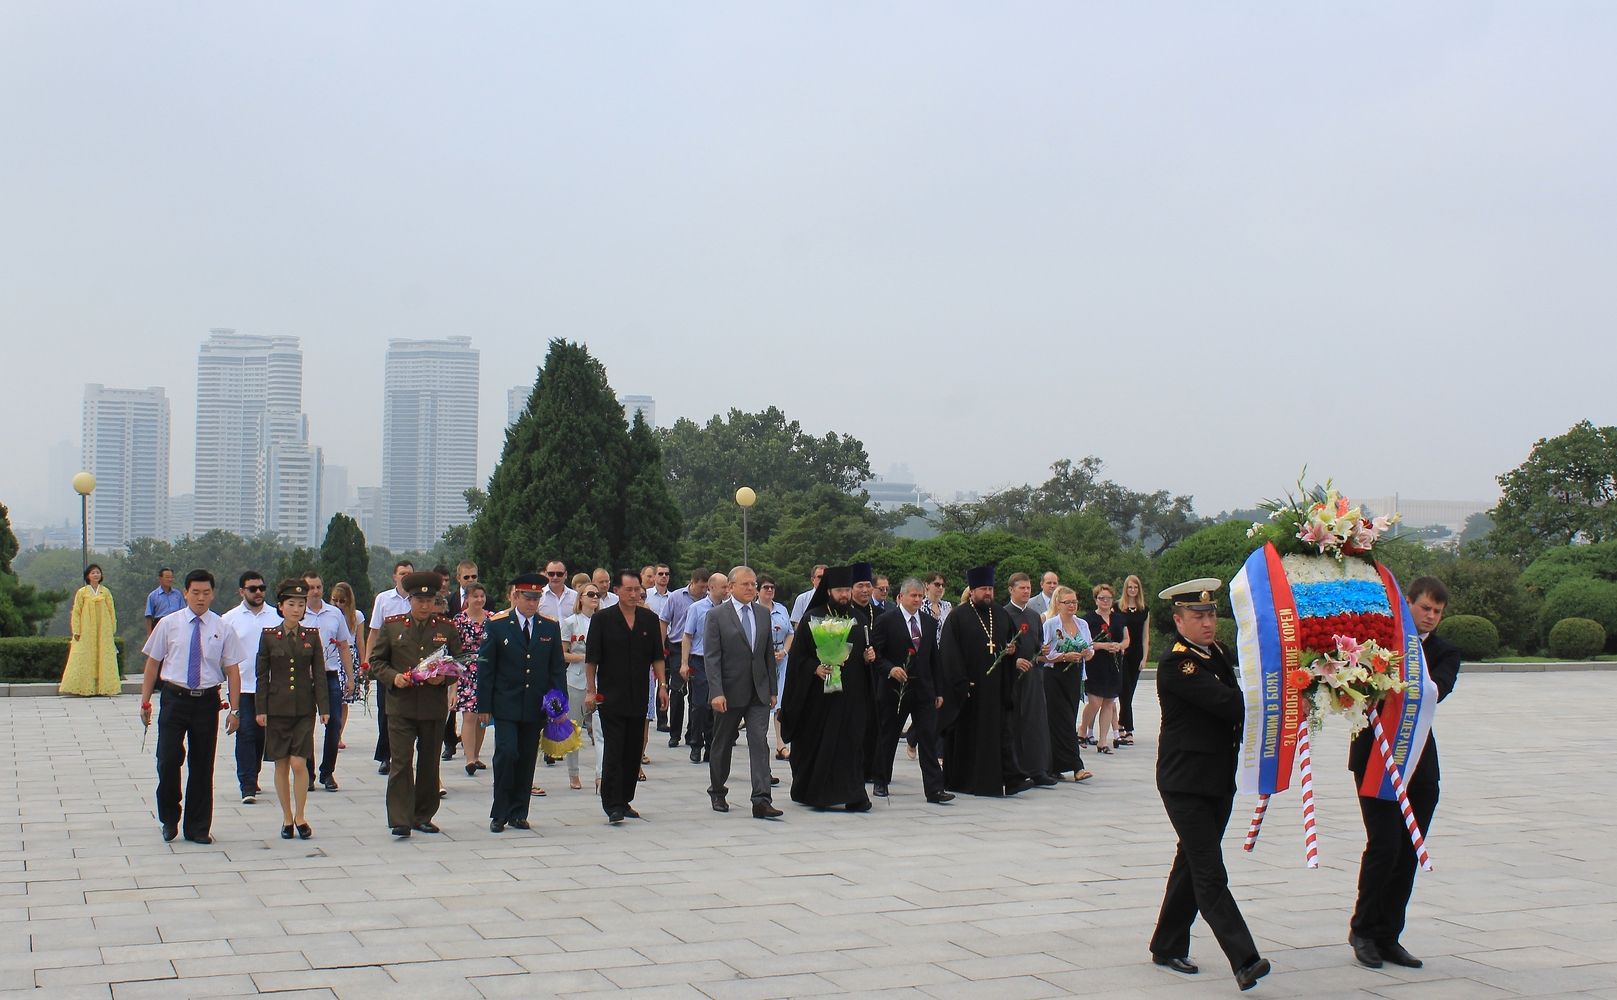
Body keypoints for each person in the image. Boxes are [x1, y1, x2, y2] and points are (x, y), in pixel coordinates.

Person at [1148, 578, 1269, 991]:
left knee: (1191, 862)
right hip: (1185, 782)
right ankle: (1244, 959)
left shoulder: (1217, 652)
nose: (1207, 622)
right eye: (1197, 616)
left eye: (1211, 614)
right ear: (1178, 620)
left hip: (1216, 778)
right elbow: (1228, 703)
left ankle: (1166, 944)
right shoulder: (1177, 664)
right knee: (1209, 870)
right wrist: (1279, 698)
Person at [1347, 576, 1463, 971]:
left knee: (1409, 850)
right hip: (1375, 757)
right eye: (1425, 607)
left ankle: (1388, 934)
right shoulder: (1379, 640)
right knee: (1384, 846)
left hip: (1419, 762)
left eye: (1437, 612)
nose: (1430, 616)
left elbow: (1436, 689)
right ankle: (1363, 930)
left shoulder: (1445, 652)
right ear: (1408, 602)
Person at [138, 569, 245, 844]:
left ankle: (197, 827)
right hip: (175, 698)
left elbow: (232, 670)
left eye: (206, 593)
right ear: (185, 593)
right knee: (168, 759)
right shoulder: (169, 624)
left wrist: (235, 709)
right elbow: (152, 663)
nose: (200, 598)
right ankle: (169, 817)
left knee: (202, 765)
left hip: (206, 701)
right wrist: (145, 701)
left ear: (213, 594)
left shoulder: (222, 627)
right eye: (195, 592)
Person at [370, 571, 464, 838]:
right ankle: (400, 818)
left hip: (432, 706)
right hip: (401, 705)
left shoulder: (446, 628)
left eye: (429, 600)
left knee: (429, 763)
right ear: (410, 600)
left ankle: (422, 815)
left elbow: (459, 663)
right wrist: (393, 677)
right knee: (401, 762)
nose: (424, 605)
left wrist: (443, 678)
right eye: (419, 600)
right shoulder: (393, 626)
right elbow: (377, 661)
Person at [776, 565, 874, 812]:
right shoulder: (812, 618)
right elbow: (798, 659)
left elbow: (865, 654)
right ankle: (816, 792)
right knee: (820, 744)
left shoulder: (859, 619)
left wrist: (869, 657)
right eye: (839, 590)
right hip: (819, 700)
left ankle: (854, 794)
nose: (844, 595)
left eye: (847, 590)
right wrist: (815, 668)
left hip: (851, 697)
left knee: (851, 745)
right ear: (828, 591)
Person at [476, 573, 566, 832]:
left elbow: (556, 669)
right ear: (516, 596)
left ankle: (519, 811)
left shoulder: (549, 627)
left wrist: (558, 705)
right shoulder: (498, 625)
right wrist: (484, 706)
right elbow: (486, 668)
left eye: (536, 598)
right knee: (506, 753)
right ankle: (500, 812)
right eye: (528, 598)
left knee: (526, 758)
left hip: (534, 703)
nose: (532, 603)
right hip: (505, 703)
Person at [585, 569, 669, 824]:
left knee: (633, 748)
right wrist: (590, 690)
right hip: (611, 695)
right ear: (617, 591)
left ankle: (625, 799)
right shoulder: (603, 619)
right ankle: (612, 803)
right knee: (615, 748)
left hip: (639, 693)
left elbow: (657, 656)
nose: (634, 595)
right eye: (629, 590)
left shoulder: (649, 619)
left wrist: (662, 685)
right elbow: (592, 659)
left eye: (637, 590)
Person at [938, 565, 1028, 797]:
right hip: (970, 689)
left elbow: (1013, 643)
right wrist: (960, 682)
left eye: (990, 588)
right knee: (969, 737)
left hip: (996, 689)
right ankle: (965, 781)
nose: (988, 593)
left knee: (1000, 734)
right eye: (983, 589)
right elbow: (949, 654)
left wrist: (1012, 650)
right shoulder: (957, 617)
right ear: (972, 591)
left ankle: (1008, 779)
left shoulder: (1000, 614)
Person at [702, 566, 782, 819]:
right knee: (723, 742)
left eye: (753, 584)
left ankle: (761, 799)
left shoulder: (762, 613)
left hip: (758, 691)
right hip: (729, 691)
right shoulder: (716, 616)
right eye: (745, 584)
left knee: (759, 742)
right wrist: (716, 691)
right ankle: (717, 790)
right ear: (731, 587)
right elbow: (711, 657)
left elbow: (767, 654)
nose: (751, 588)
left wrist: (772, 689)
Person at [255, 580, 331, 840]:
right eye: (291, 604)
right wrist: (260, 709)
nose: (296, 609)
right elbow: (262, 676)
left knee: (299, 763)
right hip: (277, 708)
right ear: (281, 607)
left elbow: (319, 674)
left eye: (300, 604)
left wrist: (323, 707)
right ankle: (287, 817)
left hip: (303, 708)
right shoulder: (268, 636)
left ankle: (301, 815)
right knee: (281, 764)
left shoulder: (311, 636)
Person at [871, 577, 951, 803]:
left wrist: (938, 690)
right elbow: (876, 654)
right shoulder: (886, 620)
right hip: (895, 689)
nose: (917, 600)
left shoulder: (929, 622)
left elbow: (934, 658)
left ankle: (934, 788)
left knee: (928, 737)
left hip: (923, 689)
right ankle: (881, 780)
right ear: (901, 596)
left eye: (919, 596)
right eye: (913, 595)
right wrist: (890, 669)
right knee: (889, 735)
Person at [221, 572, 279, 803]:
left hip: (270, 686)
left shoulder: (276, 616)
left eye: (261, 588)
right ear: (241, 591)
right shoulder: (229, 619)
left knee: (260, 736)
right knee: (245, 733)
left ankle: (253, 774)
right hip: (242, 686)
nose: (258, 593)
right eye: (252, 589)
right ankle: (247, 784)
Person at [300, 572, 354, 792]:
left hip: (329, 674)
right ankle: (308, 772)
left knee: (334, 723)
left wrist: (350, 677)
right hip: (304, 677)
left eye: (318, 587)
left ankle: (327, 772)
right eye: (310, 587)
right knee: (305, 726)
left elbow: (344, 646)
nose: (315, 591)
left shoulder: (334, 613)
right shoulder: (297, 613)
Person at [1005, 572, 1056, 786]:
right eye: (1022, 588)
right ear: (1011, 590)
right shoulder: (1003, 614)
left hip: (1033, 676)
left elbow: (1038, 646)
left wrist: (1042, 650)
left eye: (1028, 588)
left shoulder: (1034, 616)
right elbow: (999, 647)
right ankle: (1017, 770)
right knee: (1015, 723)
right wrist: (1014, 660)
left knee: (1035, 722)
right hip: (1013, 678)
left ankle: (1038, 769)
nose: (1026, 591)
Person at [1041, 586, 1094, 782]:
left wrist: (1087, 653)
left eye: (1074, 602)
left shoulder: (1082, 624)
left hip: (1074, 675)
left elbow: (1090, 648)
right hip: (1055, 675)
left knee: (1068, 718)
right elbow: (1043, 654)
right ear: (1058, 603)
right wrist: (1063, 656)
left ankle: (1055, 765)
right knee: (1061, 719)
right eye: (1067, 602)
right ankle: (1077, 766)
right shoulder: (1051, 624)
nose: (1071, 606)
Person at [367, 561, 414, 776]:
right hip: (387, 662)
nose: (406, 576)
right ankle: (385, 756)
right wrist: (368, 661)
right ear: (394, 576)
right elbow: (374, 632)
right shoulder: (384, 599)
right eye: (402, 573)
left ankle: (403, 754)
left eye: (409, 573)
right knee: (384, 710)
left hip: (411, 661)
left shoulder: (418, 599)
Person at [682, 573, 729, 764]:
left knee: (715, 706)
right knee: (700, 704)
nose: (726, 590)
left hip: (721, 662)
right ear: (711, 587)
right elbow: (687, 636)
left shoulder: (728, 609)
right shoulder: (697, 608)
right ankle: (696, 743)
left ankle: (711, 746)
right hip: (699, 660)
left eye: (728, 586)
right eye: (723, 587)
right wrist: (684, 663)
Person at [560, 583, 602, 789]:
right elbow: (562, 653)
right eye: (591, 594)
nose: (595, 597)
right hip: (576, 679)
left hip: (601, 680)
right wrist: (584, 658)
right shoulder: (570, 622)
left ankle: (601, 774)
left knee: (600, 729)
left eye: (598, 595)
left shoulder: (603, 621)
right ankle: (573, 773)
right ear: (581, 598)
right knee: (573, 728)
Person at [659, 568, 706, 749]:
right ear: (692, 582)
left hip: (698, 650)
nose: (703, 590)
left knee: (697, 694)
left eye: (706, 587)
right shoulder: (676, 597)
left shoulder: (708, 600)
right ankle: (675, 733)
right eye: (700, 587)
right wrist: (661, 646)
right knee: (677, 691)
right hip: (678, 646)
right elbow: (664, 621)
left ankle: (692, 733)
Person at [1081, 583, 1129, 754]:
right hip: (1095, 663)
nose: (1105, 601)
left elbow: (1126, 639)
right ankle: (1082, 729)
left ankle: (1103, 741)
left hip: (1114, 664)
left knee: (1109, 701)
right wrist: (1103, 646)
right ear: (1096, 600)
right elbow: (1085, 642)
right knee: (1095, 701)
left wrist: (1119, 646)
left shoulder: (1119, 619)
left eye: (1108, 598)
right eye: (1102, 598)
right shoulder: (1088, 619)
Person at [60, 563, 120, 696]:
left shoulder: (106, 592)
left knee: (102, 656)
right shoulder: (82, 592)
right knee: (85, 655)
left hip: (103, 629)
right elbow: (76, 611)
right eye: (93, 573)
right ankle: (84, 686)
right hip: (86, 628)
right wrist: (76, 630)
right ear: (88, 576)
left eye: (98, 572)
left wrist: (111, 628)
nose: (96, 575)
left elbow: (111, 610)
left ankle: (103, 687)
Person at [452, 582, 493, 777]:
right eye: (475, 596)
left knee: (483, 716)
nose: (479, 599)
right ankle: (469, 758)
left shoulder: (492, 619)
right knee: (469, 715)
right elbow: (453, 649)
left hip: (488, 670)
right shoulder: (459, 620)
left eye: (482, 596)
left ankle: (476, 755)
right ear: (467, 598)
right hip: (466, 671)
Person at [759, 575, 794, 761]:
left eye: (772, 587)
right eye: (765, 587)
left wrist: (785, 651)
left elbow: (790, 633)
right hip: (761, 660)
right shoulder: (754, 609)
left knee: (780, 702)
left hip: (781, 658)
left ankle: (781, 745)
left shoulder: (781, 609)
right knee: (761, 703)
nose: (769, 590)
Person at [327, 582, 366, 751]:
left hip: (349, 655)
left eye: (342, 601)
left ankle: (338, 734)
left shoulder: (357, 616)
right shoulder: (329, 614)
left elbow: (360, 641)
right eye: (335, 600)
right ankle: (332, 732)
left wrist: (363, 664)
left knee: (344, 700)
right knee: (333, 697)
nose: (338, 604)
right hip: (332, 654)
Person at [1116, 574, 1151, 747]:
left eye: (1135, 587)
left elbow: (1145, 636)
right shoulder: (1117, 607)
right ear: (1125, 588)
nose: (1132, 590)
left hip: (1136, 653)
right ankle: (1128, 729)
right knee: (1124, 691)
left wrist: (1144, 658)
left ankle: (1121, 725)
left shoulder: (1144, 610)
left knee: (1129, 693)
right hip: (1122, 652)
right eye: (1130, 587)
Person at [144, 567, 185, 636]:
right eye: (167, 577)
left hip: (176, 626)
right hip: (159, 627)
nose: (170, 579)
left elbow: (183, 612)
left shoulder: (178, 594)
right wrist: (149, 635)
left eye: (171, 577)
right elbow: (149, 616)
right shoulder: (153, 596)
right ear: (160, 579)